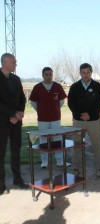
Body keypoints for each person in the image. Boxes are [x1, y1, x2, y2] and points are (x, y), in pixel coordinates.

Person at [68, 63, 100, 177]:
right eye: (83, 72)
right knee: (77, 146)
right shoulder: (74, 87)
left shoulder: (97, 86)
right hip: (78, 121)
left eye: (87, 72)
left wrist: (90, 114)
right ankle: (76, 168)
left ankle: (99, 168)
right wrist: (80, 115)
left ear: (91, 73)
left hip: (93, 121)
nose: (85, 75)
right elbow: (71, 103)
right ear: (80, 73)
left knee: (97, 145)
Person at [29, 67, 70, 168]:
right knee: (43, 139)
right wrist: (40, 111)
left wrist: (54, 110)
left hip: (56, 118)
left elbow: (61, 101)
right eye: (46, 74)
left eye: (50, 74)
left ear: (52, 75)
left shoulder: (57, 86)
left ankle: (60, 161)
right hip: (42, 119)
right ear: (42, 75)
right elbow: (33, 102)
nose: (48, 76)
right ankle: (44, 162)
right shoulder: (37, 87)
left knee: (57, 138)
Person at [0, 53, 29, 195]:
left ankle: (17, 178)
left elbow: (22, 99)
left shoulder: (16, 79)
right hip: (2, 121)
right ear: (5, 63)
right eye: (13, 62)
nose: (16, 64)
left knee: (16, 150)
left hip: (16, 121)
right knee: (1, 152)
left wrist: (19, 114)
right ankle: (1, 184)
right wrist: (13, 113)